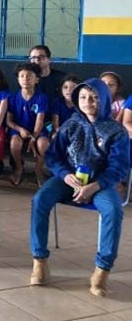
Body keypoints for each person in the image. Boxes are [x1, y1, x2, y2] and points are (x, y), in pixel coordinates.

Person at [29, 78, 130, 297]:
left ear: (103, 100)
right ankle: (40, 261)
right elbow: (53, 156)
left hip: (100, 184)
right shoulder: (71, 124)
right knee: (40, 200)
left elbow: (119, 167)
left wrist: (96, 185)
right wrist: (65, 175)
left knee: (113, 210)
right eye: (83, 97)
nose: (88, 102)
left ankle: (101, 272)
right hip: (69, 180)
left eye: (94, 98)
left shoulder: (116, 131)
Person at [7, 62, 50, 186]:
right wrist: (20, 129)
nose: (25, 79)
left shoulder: (41, 97)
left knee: (43, 144)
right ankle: (19, 168)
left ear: (37, 79)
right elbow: (9, 121)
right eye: (22, 76)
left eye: (29, 76)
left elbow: (40, 120)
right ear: (18, 79)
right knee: (15, 143)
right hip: (19, 129)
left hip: (37, 130)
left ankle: (38, 168)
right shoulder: (12, 98)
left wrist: (33, 138)